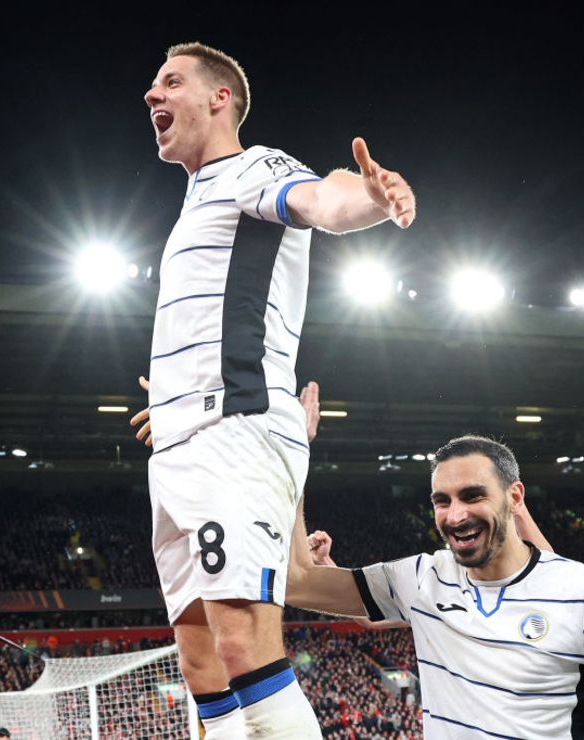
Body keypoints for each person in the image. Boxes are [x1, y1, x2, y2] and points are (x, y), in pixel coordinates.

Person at [140, 41, 414, 740]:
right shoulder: (195, 203)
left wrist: (373, 198)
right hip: (182, 441)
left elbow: (323, 195)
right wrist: (171, 398)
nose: (153, 95)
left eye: (171, 82)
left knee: (243, 646)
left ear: (219, 97)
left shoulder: (251, 168)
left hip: (231, 429)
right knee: (201, 663)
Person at [286, 435, 584, 738]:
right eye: (442, 501)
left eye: (473, 496)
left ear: (515, 496)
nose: (455, 515)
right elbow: (298, 584)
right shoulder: (421, 579)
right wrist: (292, 453)